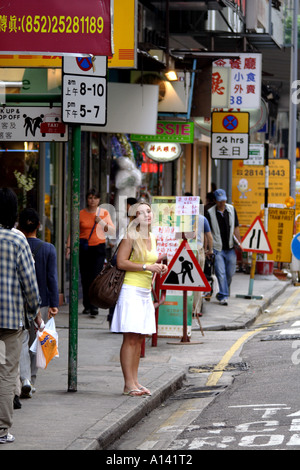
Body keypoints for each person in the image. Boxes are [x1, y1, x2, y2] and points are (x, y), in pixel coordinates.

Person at [111, 201, 168, 397]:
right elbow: (121, 262)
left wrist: (159, 266)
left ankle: (135, 381)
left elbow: (150, 262)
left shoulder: (151, 236)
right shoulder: (131, 235)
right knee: (130, 338)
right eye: (141, 213)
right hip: (130, 290)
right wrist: (146, 267)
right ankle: (128, 384)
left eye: (149, 211)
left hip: (144, 291)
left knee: (139, 338)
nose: (147, 215)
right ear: (134, 218)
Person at [0, 188, 42, 444]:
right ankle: (2, 429)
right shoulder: (17, 240)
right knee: (6, 374)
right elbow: (29, 282)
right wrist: (34, 312)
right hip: (10, 321)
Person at [18, 208, 59, 396]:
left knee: (22, 342)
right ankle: (31, 380)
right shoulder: (48, 249)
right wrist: (53, 303)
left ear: (19, 225)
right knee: (36, 343)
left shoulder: (17, 244)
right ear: (39, 226)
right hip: (39, 303)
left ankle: (23, 379)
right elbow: (52, 277)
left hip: (19, 302)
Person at [66, 188, 115, 316]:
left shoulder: (103, 213)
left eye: (95, 198)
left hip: (98, 247)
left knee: (96, 276)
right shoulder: (81, 213)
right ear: (87, 199)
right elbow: (74, 231)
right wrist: (69, 247)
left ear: (99, 200)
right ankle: (87, 305)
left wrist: (101, 222)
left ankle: (94, 306)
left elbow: (111, 230)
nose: (92, 200)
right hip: (84, 248)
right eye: (90, 198)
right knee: (85, 277)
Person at [206, 189, 241, 306]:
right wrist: (209, 249)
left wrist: (239, 243)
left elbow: (236, 227)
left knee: (230, 273)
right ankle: (224, 296)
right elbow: (208, 232)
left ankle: (222, 292)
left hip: (230, 248)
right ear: (215, 201)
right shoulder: (210, 213)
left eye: (224, 200)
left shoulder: (231, 209)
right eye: (220, 201)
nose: (222, 203)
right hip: (217, 248)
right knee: (220, 272)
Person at [193, 213, 213, 315]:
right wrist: (210, 250)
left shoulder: (180, 216)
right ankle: (196, 309)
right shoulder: (202, 218)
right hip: (197, 249)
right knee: (197, 280)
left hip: (182, 249)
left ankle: (183, 306)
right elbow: (209, 237)